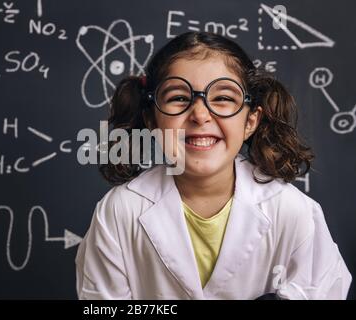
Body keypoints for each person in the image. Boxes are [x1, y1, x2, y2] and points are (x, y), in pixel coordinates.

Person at [75, 31, 352, 299]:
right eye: (179, 98)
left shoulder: (293, 211)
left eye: (222, 97)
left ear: (250, 121)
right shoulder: (119, 211)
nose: (200, 114)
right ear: (151, 121)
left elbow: (326, 288)